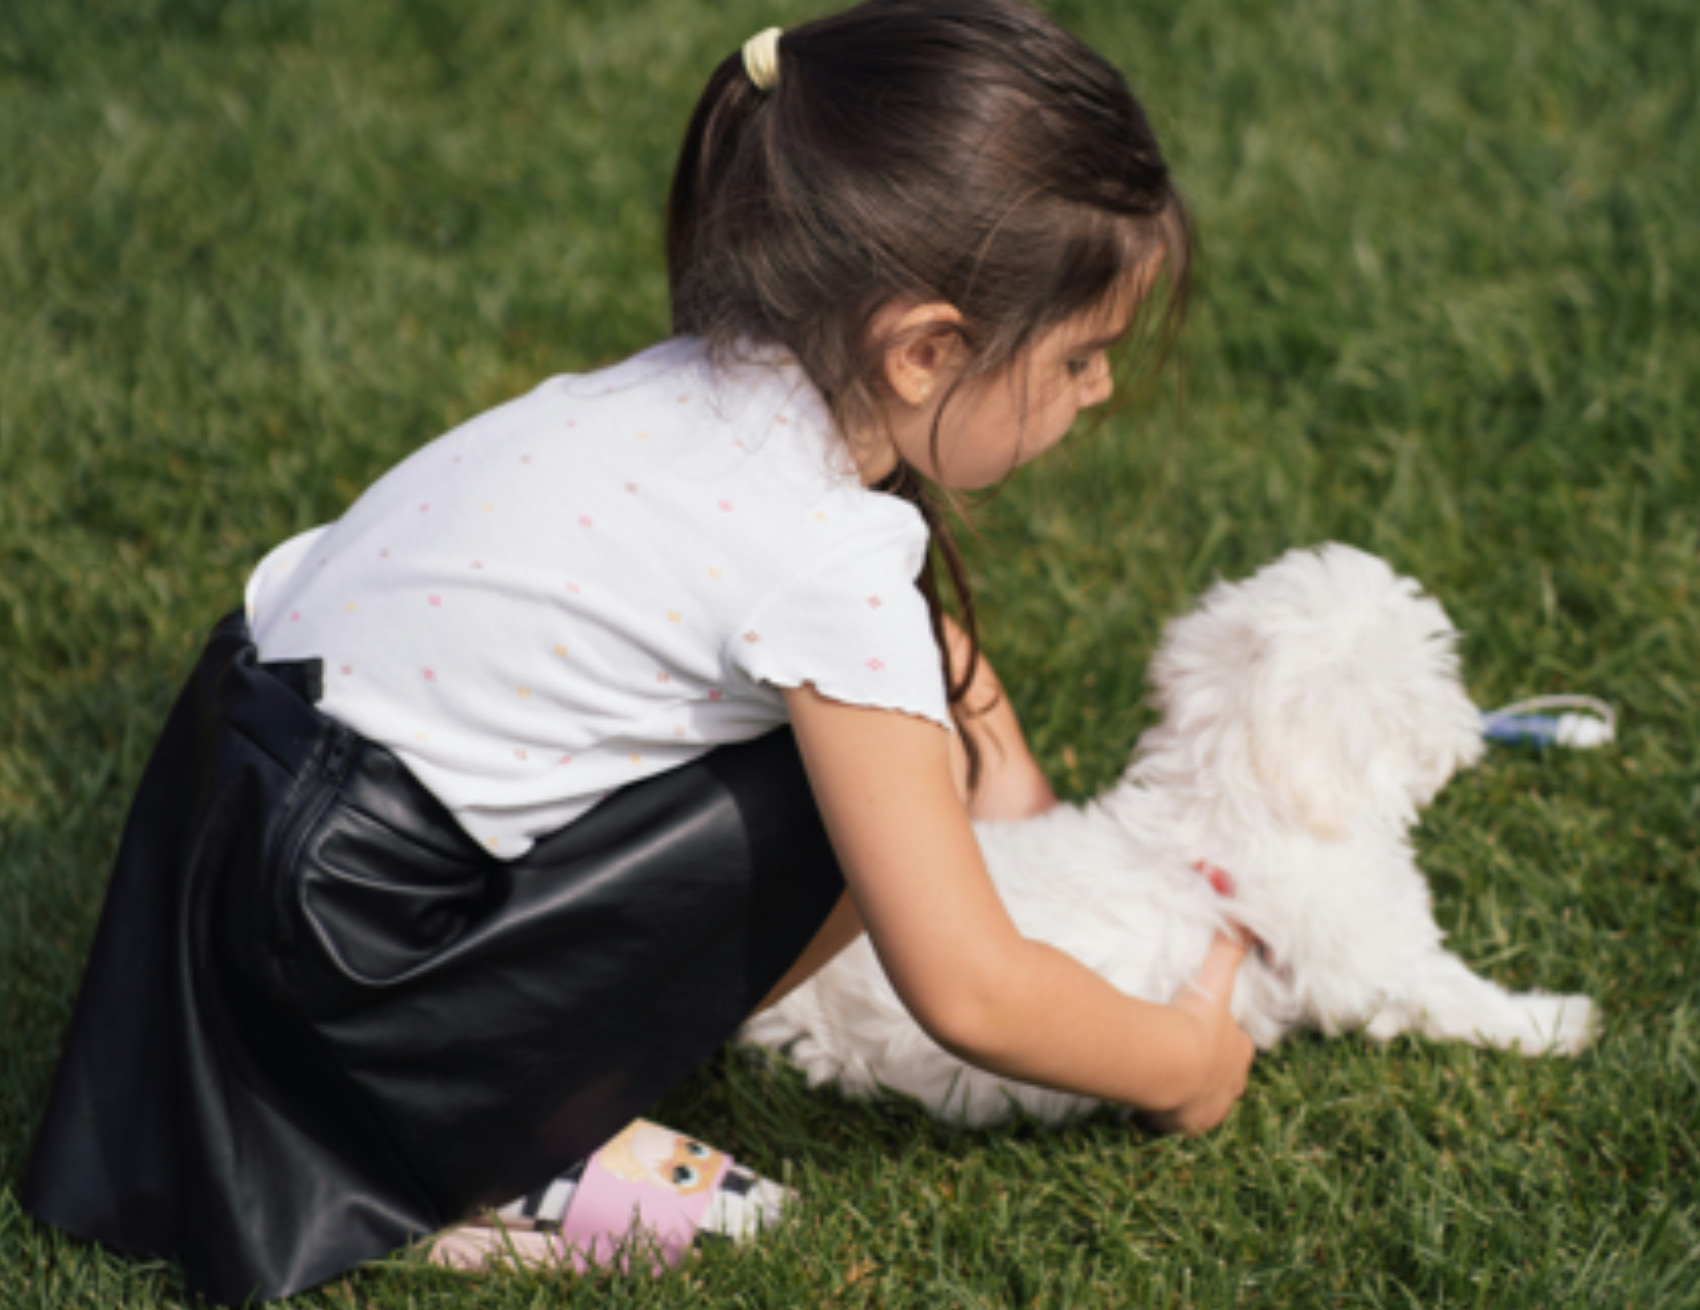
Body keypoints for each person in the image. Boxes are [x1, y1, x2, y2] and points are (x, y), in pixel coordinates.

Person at [21, 0, 1255, 1301]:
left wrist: (1002, 756)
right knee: (865, 798)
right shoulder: (825, 563)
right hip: (352, 978)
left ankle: (464, 1091)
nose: (1101, 392)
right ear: (927, 349)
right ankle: (504, 1143)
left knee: (890, 741)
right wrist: (1185, 1061)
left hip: (233, 846)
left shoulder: (709, 388)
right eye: (1083, 357)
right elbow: (971, 988)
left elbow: (916, 648)